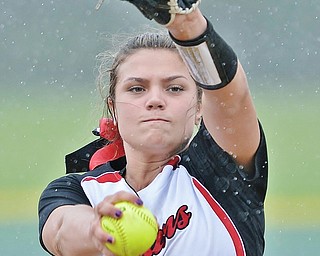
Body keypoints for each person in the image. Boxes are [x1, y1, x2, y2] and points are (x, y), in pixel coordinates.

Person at [38, 1, 268, 255]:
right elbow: (60, 231)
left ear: (200, 107)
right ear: (113, 108)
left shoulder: (220, 173)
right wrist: (95, 229)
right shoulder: (80, 191)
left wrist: (186, 22)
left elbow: (231, 99)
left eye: (175, 88)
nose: (155, 99)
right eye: (137, 88)